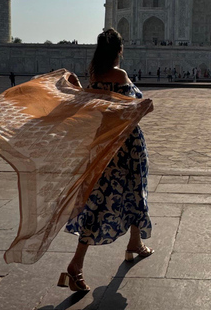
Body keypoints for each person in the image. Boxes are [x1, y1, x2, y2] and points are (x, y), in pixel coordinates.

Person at [61, 28, 153, 292]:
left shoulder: (94, 76)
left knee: (98, 199)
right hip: (127, 146)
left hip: (102, 146)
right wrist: (145, 104)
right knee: (133, 194)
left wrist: (78, 87)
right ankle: (78, 264)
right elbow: (130, 110)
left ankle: (131, 244)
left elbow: (92, 107)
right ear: (119, 51)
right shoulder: (120, 75)